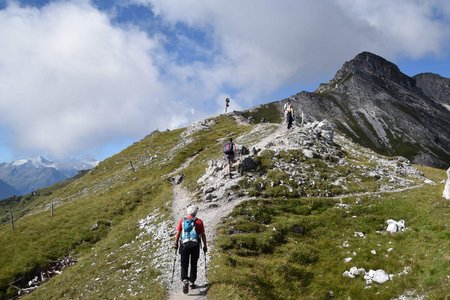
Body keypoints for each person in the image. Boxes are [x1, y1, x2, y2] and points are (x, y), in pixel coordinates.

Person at [173, 205, 207, 294]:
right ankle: (192, 282)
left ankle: (184, 279)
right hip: (195, 245)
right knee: (193, 263)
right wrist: (205, 246)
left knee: (184, 263)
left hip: (184, 245)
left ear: (188, 212)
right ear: (195, 212)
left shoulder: (182, 220)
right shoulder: (199, 221)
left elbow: (178, 233)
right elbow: (203, 234)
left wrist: (176, 244)